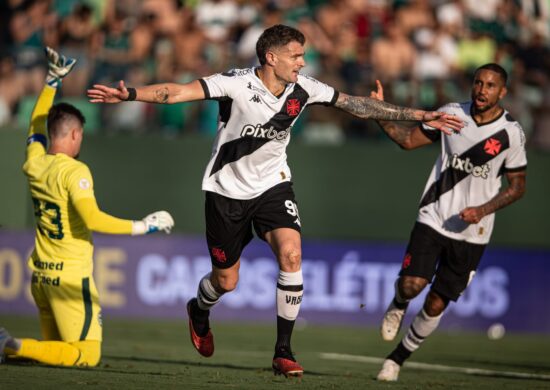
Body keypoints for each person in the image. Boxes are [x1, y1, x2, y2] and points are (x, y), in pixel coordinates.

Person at [86, 24, 462, 377]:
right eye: (296, 56)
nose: (303, 62)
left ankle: (284, 351)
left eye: (303, 56)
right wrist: (130, 94)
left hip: (273, 186)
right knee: (226, 281)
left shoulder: (305, 89)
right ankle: (198, 309)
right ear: (272, 58)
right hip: (226, 192)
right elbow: (178, 91)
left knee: (292, 254)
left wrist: (421, 114)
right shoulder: (234, 84)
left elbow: (355, 105)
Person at [0, 47, 175, 367]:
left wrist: (52, 81)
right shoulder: (75, 170)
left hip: (41, 277)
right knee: (86, 355)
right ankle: (8, 344)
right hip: (70, 277)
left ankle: (12, 346)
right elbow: (93, 218)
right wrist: (144, 226)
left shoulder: (34, 163)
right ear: (75, 134)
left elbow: (35, 126)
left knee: (53, 352)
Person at [370, 63, 527, 381]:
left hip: (473, 232)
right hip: (435, 215)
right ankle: (399, 302)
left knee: (437, 302)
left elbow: (518, 186)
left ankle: (397, 359)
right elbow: (408, 140)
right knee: (412, 285)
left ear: (502, 92)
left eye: (491, 85)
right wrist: (378, 112)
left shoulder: (511, 133)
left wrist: (483, 209)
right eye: (478, 83)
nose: (483, 90)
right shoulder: (452, 114)